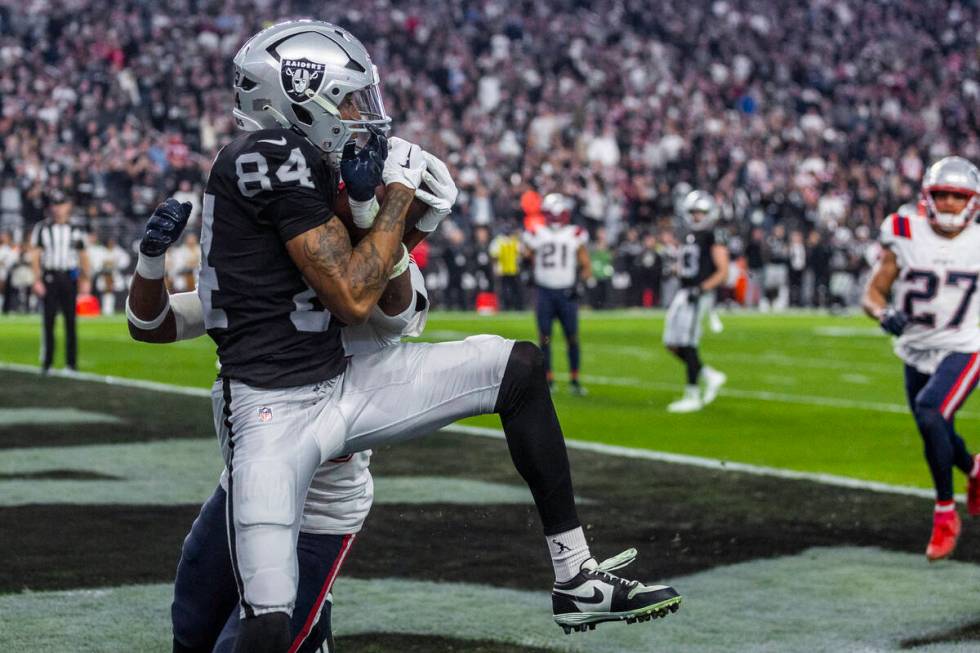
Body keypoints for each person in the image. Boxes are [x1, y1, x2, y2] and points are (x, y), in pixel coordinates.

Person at [134, 20, 680, 651]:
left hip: (339, 411)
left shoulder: (356, 221)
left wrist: (380, 215)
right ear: (298, 93)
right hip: (271, 414)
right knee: (236, 626)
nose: (360, 116)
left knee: (519, 369)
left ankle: (574, 573)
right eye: (346, 98)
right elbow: (334, 291)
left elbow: (383, 307)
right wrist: (390, 200)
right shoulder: (279, 164)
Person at [128, 199, 434, 653]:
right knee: (192, 626)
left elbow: (396, 311)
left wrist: (383, 231)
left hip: (320, 510)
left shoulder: (376, 289)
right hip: (242, 487)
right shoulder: (260, 290)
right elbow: (151, 324)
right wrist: (152, 258)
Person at [862, 156, 980, 562]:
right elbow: (873, 293)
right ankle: (975, 468)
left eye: (957, 195)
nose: (948, 203)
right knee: (934, 426)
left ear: (972, 201)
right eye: (941, 195)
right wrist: (882, 313)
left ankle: (945, 514)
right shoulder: (904, 232)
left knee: (931, 410)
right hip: (915, 346)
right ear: (927, 197)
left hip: (966, 345)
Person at [662, 190, 729, 413]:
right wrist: (674, 270)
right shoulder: (688, 234)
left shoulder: (714, 235)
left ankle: (692, 394)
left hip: (698, 294)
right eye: (693, 212)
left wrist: (701, 289)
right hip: (684, 292)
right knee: (671, 342)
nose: (696, 216)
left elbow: (723, 271)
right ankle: (709, 375)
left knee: (689, 343)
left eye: (700, 212)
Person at [522, 193, 591, 395]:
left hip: (565, 292)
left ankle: (575, 379)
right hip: (545, 292)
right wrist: (526, 268)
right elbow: (525, 257)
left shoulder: (573, 234)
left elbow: (585, 264)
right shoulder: (537, 232)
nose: (556, 219)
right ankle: (548, 379)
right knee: (545, 338)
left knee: (572, 337)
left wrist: (581, 283)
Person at [30, 189, 90, 373]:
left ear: (68, 206)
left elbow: (83, 255)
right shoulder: (42, 228)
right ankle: (47, 363)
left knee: (70, 322)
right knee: (48, 322)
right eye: (54, 205)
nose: (57, 209)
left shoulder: (76, 229)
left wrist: (86, 278)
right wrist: (37, 279)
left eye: (61, 204)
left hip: (69, 278)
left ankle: (71, 364)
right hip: (50, 277)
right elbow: (35, 255)